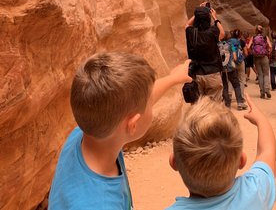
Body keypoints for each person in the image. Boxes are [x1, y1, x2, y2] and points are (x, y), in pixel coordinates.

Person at [49, 52, 191, 209]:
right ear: (133, 125)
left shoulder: (85, 132)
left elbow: (136, 103)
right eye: (149, 104)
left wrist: (173, 78)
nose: (151, 103)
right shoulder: (100, 204)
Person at [166, 94, 276, 210]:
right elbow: (267, 151)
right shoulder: (255, 191)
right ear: (242, 160)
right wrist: (261, 120)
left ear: (174, 162)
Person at [186, 3, 225, 102]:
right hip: (213, 74)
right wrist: (214, 17)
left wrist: (198, 12)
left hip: (197, 75)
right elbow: (222, 33)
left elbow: (186, 25)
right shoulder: (212, 32)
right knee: (214, 106)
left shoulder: (191, 33)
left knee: (199, 106)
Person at [219, 31, 248, 110]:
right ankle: (240, 102)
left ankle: (227, 104)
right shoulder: (230, 45)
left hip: (222, 69)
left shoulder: (218, 45)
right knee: (236, 85)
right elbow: (235, 57)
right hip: (231, 69)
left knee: (225, 86)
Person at [247, 25, 272, 99]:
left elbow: (248, 47)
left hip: (256, 58)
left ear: (256, 30)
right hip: (264, 57)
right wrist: (268, 52)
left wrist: (252, 52)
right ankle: (267, 89)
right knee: (266, 74)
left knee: (260, 75)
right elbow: (270, 46)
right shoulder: (265, 37)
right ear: (262, 30)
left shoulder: (253, 37)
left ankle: (262, 92)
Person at [230, 29, 247, 96]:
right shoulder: (242, 42)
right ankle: (241, 96)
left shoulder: (229, 41)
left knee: (230, 78)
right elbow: (246, 52)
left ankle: (229, 94)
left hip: (232, 62)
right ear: (240, 35)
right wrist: (242, 58)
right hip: (240, 62)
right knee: (241, 80)